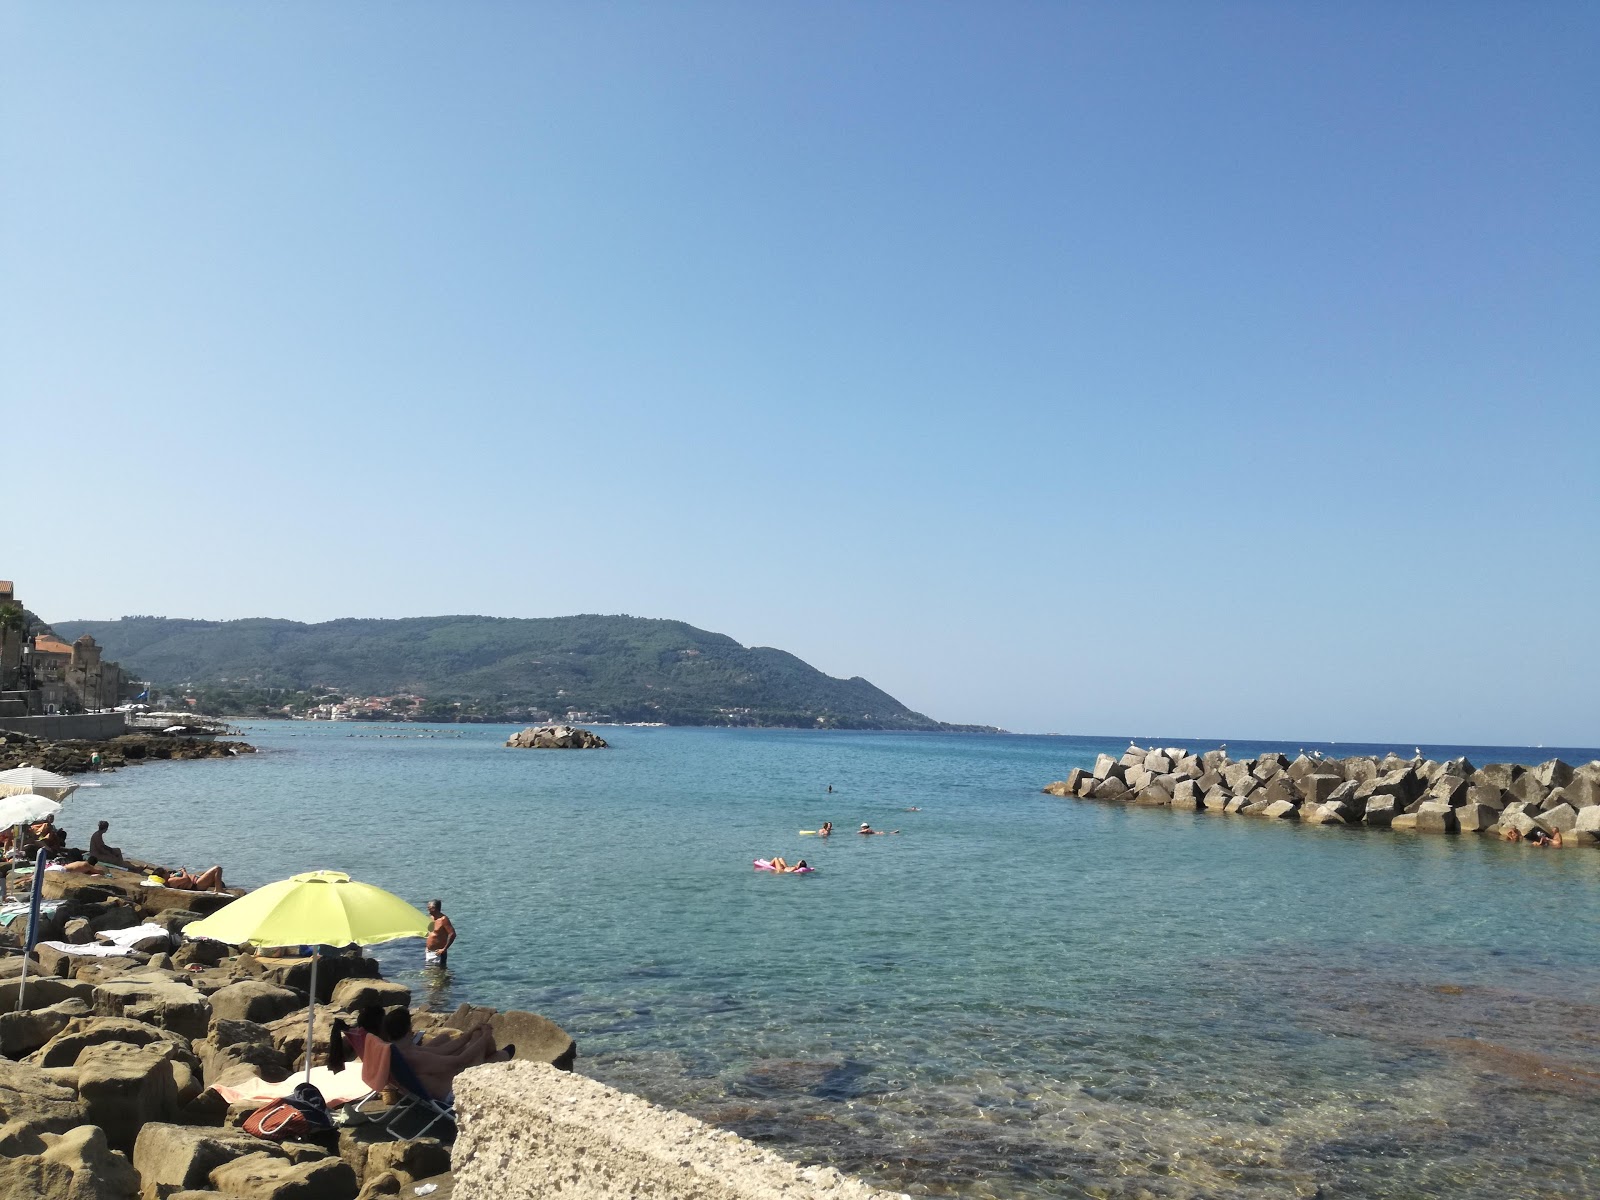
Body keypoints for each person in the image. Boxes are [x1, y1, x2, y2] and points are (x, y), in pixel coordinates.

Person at [425, 899, 456, 969]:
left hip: (438, 953)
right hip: (429, 951)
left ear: (434, 908)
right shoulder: (431, 918)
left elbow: (452, 934)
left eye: (429, 908)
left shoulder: (443, 919)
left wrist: (444, 949)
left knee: (439, 974)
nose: (427, 909)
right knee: (430, 973)